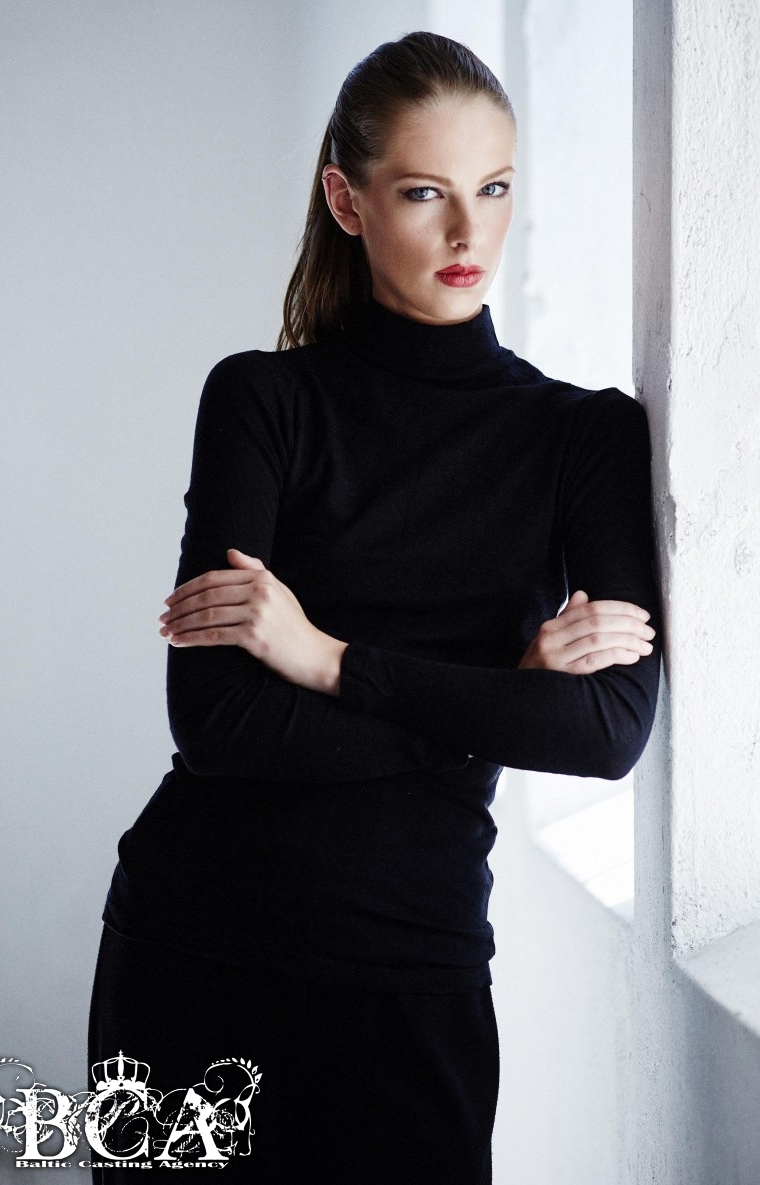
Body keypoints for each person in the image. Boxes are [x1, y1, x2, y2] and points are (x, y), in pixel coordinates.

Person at [87, 30, 662, 1184]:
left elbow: (603, 733)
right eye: (423, 193)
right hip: (195, 949)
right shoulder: (260, 401)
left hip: (413, 971)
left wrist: (324, 659)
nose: (468, 234)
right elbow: (218, 722)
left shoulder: (582, 436)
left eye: (493, 189)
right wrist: (496, 703)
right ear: (347, 202)